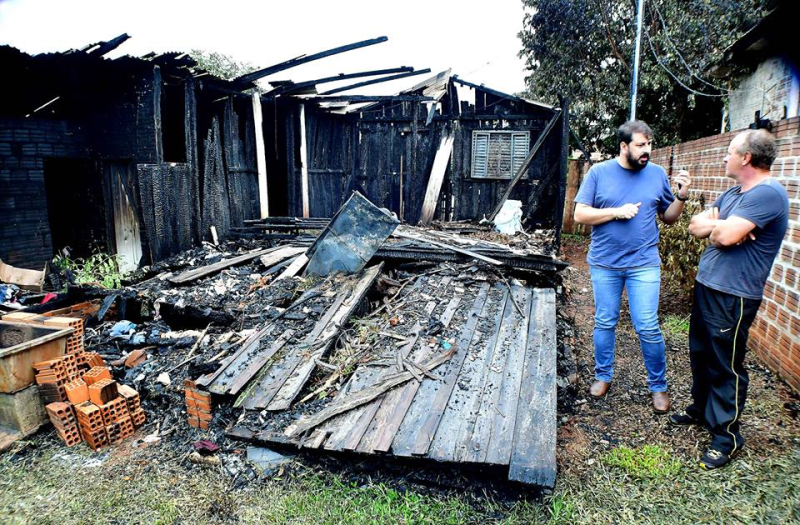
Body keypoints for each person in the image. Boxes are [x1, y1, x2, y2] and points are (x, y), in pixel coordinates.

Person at [671, 129, 788, 470]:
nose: (724, 157)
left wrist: (721, 227)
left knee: (725, 363)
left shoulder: (768, 194)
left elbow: (723, 236)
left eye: (730, 152)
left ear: (746, 158)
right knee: (701, 353)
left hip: (734, 295)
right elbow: (695, 226)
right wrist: (721, 226)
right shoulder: (734, 192)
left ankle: (726, 436)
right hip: (708, 285)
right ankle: (701, 409)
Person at [574, 120, 691, 413]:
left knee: (648, 326)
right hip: (605, 263)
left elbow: (668, 217)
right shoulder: (599, 173)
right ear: (624, 146)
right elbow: (580, 214)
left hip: (644, 263)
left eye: (649, 144)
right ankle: (603, 375)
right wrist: (616, 212)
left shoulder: (656, 174)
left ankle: (658, 386)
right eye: (640, 145)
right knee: (605, 321)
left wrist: (681, 196)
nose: (646, 150)